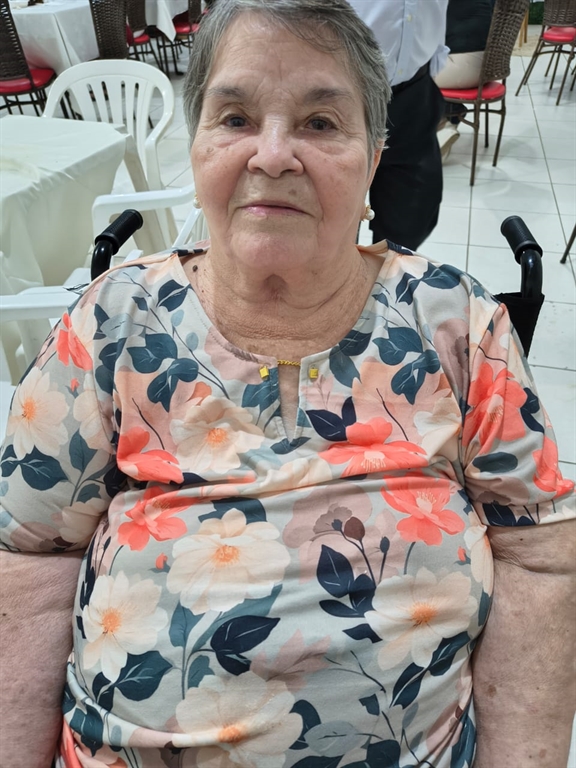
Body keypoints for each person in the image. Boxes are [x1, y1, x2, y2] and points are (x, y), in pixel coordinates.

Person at [0, 1, 574, 767]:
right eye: (235, 117)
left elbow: (539, 557)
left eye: (320, 122)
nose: (272, 156)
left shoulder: (458, 325)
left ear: (373, 158)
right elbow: (31, 557)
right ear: (197, 145)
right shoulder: (111, 322)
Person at [348, 0, 449, 250]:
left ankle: (389, 273)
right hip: (337, 90)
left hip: (414, 90)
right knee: (329, 222)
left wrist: (435, 56)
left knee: (410, 218)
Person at [434, 0, 497, 158]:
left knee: (409, 74)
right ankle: (449, 117)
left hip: (462, 66)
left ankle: (444, 125)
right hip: (490, 65)